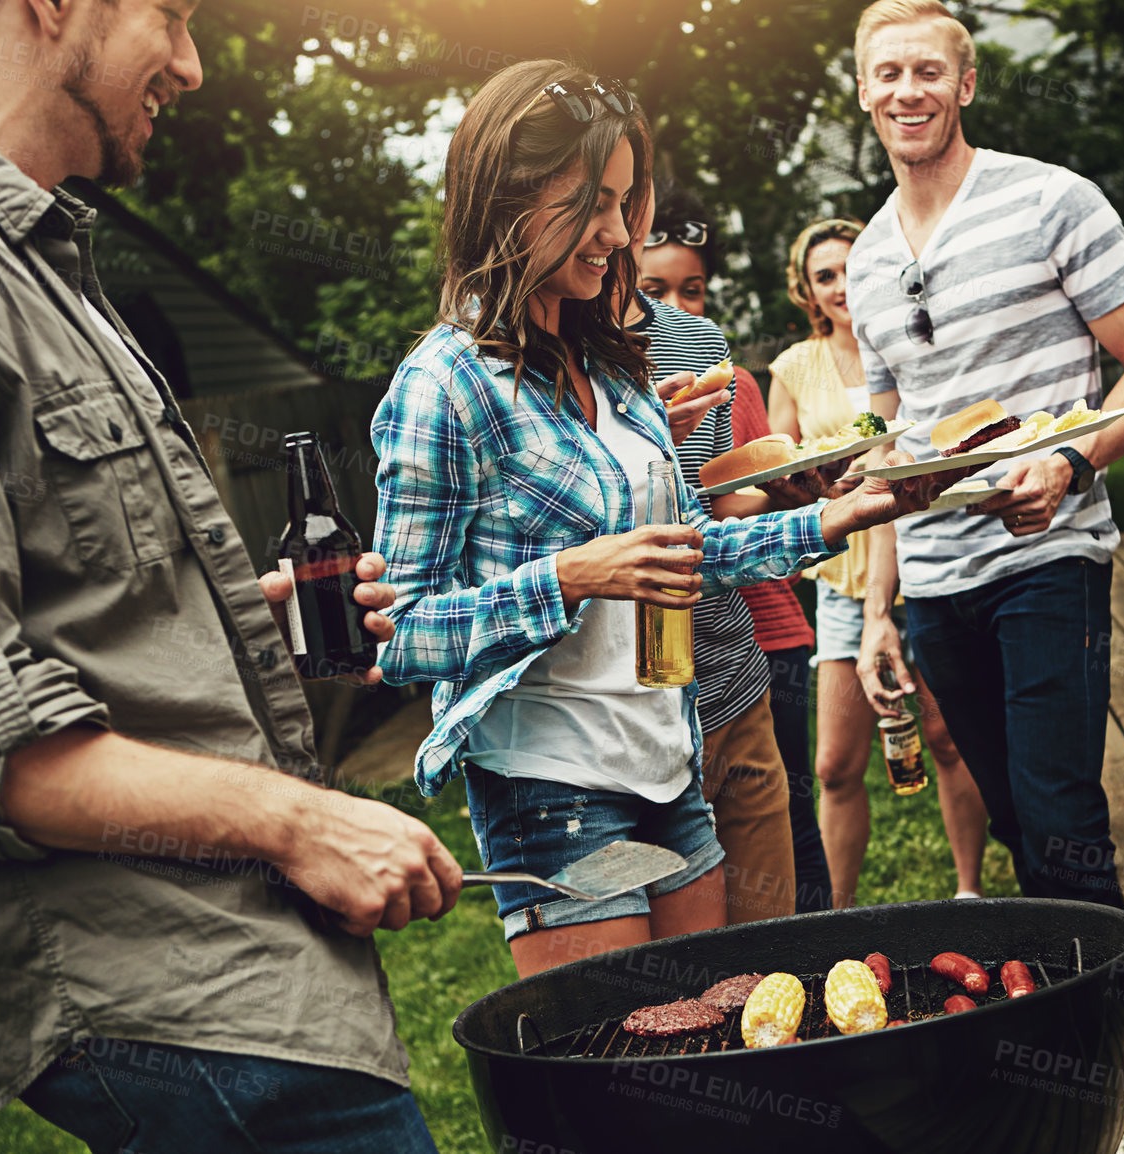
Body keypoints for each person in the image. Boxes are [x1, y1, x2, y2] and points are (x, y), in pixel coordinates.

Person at [0, 2, 465, 1149]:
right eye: (171, 15)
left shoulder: (36, 252)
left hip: (242, 983)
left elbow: (69, 615)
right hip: (165, 989)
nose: (193, 67)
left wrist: (224, 618)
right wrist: (297, 819)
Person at [369, 60, 943, 978]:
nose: (617, 234)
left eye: (625, 203)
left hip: (668, 765)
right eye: (594, 204)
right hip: (554, 791)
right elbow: (398, 634)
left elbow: (686, 553)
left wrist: (840, 515)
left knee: (710, 1034)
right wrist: (572, 576)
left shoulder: (611, 363)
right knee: (628, 1074)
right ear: (509, 198)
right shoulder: (445, 385)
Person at [847, 0, 1124, 912]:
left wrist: (1071, 465)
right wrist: (880, 612)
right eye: (888, 74)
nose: (907, 91)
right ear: (862, 91)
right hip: (934, 581)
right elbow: (891, 453)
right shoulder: (869, 258)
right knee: (1012, 825)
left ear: (965, 84)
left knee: (1062, 826)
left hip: (1050, 558)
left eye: (927, 71)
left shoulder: (1050, 199)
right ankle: (1076, 1027)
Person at [769, 216, 986, 907]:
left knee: (947, 738)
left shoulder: (909, 344)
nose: (839, 287)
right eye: (822, 276)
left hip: (922, 561)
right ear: (807, 291)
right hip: (842, 580)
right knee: (834, 764)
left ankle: (970, 891)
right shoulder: (793, 368)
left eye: (847, 270)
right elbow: (781, 471)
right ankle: (837, 917)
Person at [636, 183, 833, 915]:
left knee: (778, 868)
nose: (677, 307)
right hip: (634, 681)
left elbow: (718, 503)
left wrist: (792, 493)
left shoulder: (706, 349)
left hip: (731, 653)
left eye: (692, 289)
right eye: (656, 287)